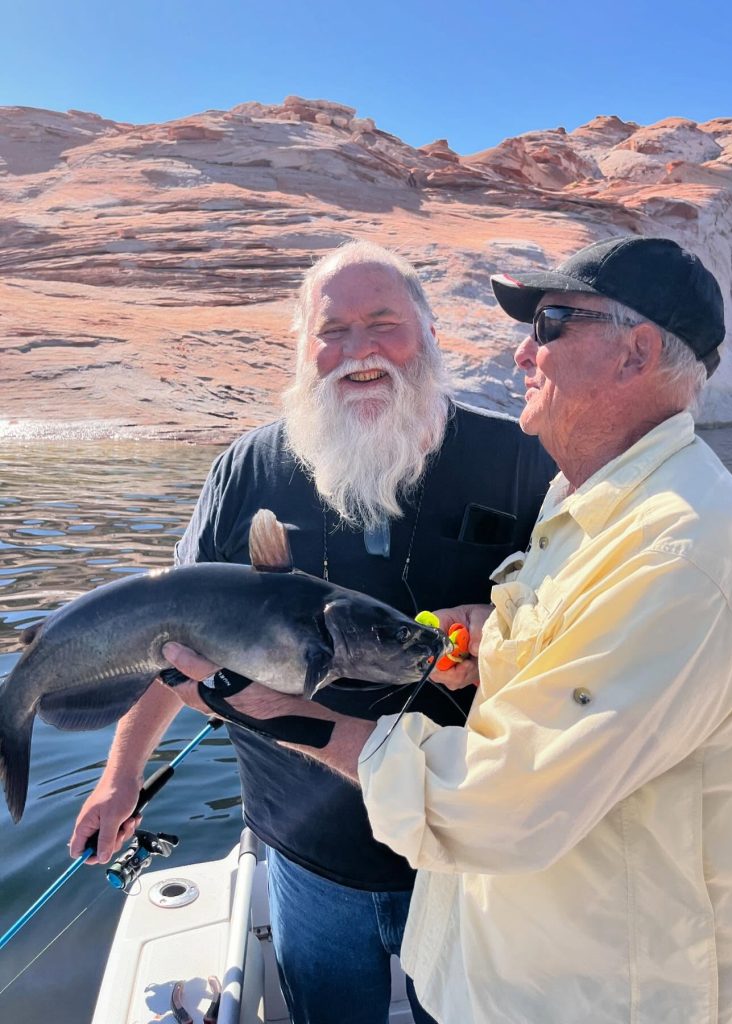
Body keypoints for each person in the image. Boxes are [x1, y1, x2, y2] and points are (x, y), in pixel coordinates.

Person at [168, 235, 732, 1024]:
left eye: (549, 326)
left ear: (634, 354)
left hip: (619, 985)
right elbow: (575, 652)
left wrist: (287, 716)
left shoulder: (681, 548)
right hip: (500, 932)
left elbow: (501, 804)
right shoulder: (595, 510)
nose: (518, 356)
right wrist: (492, 638)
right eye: (331, 330)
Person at [69, 240, 555, 1024]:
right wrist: (120, 773)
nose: (359, 352)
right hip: (304, 855)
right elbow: (170, 634)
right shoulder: (246, 469)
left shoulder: (520, 462)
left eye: (383, 323)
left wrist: (498, 630)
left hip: (468, 853)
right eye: (332, 331)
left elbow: (578, 631)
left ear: (431, 334)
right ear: (302, 349)